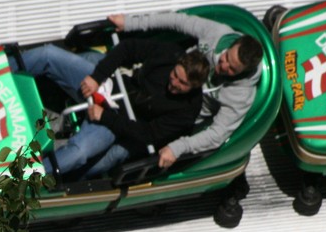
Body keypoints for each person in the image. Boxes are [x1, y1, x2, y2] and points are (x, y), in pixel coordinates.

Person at [18, 40, 208, 178]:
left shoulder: (188, 111)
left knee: (79, 152)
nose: (173, 83)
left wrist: (105, 117)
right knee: (49, 54)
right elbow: (127, 48)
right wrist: (97, 77)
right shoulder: (170, 53)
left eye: (182, 83)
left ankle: (24, 173)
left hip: (116, 121)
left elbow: (148, 133)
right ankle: (4, 70)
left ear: (194, 86)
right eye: (175, 75)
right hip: (108, 84)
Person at [107, 11, 264, 169]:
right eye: (227, 57)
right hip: (159, 82)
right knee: (100, 62)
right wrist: (130, 23)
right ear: (231, 45)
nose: (223, 66)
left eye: (232, 69)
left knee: (118, 153)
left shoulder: (241, 96)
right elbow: (177, 21)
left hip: (170, 118)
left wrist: (178, 147)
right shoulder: (217, 33)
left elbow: (218, 134)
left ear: (243, 72)